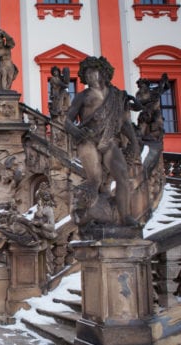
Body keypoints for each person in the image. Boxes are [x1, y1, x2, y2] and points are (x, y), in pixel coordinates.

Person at [64, 56, 139, 227]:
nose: (89, 76)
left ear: (103, 73)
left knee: (122, 176)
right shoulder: (83, 96)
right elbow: (67, 121)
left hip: (108, 141)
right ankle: (86, 213)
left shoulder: (116, 96)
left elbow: (124, 122)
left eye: (92, 72)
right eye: (86, 73)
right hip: (88, 141)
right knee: (95, 180)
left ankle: (124, 216)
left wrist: (134, 142)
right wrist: (76, 131)